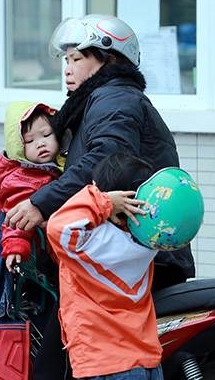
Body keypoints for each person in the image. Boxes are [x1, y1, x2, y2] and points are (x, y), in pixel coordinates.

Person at [6, 14, 195, 291]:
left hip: (140, 254)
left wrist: (41, 203)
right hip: (128, 249)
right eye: (66, 60)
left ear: (110, 60)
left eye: (77, 59)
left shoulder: (115, 99)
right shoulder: (100, 100)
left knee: (60, 332)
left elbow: (102, 161)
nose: (67, 69)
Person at [46, 153, 163, 380]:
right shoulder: (148, 244)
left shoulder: (91, 244)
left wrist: (104, 201)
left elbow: (57, 226)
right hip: (146, 359)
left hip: (104, 364)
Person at [0, 102, 62, 272]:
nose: (40, 144)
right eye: (30, 140)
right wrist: (15, 246)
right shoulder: (22, 179)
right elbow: (15, 218)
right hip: (44, 253)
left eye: (46, 134)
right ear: (18, 147)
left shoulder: (57, 166)